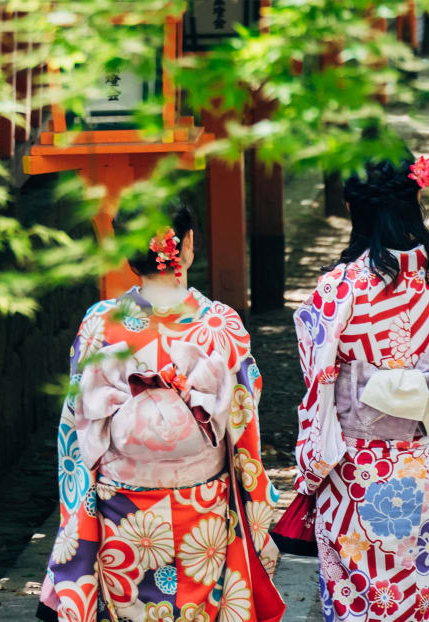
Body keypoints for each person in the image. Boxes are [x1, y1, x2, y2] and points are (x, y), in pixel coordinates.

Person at [37, 206, 285, 622]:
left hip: (122, 509)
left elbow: (78, 426)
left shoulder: (99, 324)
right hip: (202, 507)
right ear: (187, 245)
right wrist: (254, 501)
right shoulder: (221, 325)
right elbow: (243, 420)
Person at [283, 156, 429, 621]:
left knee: (358, 595)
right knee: (425, 587)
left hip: (359, 466)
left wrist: (311, 464)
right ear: (416, 199)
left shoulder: (339, 288)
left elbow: (317, 382)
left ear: (351, 209)